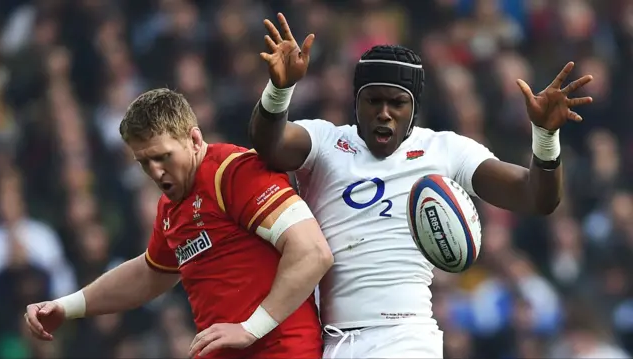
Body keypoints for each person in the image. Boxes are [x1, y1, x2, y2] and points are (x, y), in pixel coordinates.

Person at [249, 13, 594, 359]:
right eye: (374, 101)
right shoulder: (326, 142)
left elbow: (536, 196)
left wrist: (546, 137)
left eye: (397, 103)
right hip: (333, 343)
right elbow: (270, 143)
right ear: (357, 103)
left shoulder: (444, 151)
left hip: (405, 339)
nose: (384, 113)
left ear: (413, 109)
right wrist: (280, 91)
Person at [24, 88, 334, 359]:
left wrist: (251, 329)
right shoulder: (172, 207)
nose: (156, 172)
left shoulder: (234, 173)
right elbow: (150, 273)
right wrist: (66, 307)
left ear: (195, 139)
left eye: (162, 157)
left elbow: (312, 253)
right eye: (144, 162)